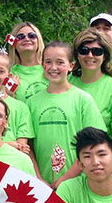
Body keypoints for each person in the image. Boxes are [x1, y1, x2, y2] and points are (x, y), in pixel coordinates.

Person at [26, 41, 105, 188]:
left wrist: (66, 178)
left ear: (71, 66)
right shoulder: (32, 103)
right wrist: (37, 178)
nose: (53, 67)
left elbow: (93, 142)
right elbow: (28, 145)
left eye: (60, 62)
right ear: (42, 65)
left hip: (78, 182)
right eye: (48, 62)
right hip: (41, 184)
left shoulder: (83, 100)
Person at [70, 28, 112, 157]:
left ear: (105, 56)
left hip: (100, 165)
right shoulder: (66, 82)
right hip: (67, 161)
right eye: (84, 50)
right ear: (77, 55)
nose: (90, 56)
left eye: (97, 51)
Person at [9, 22, 49, 102]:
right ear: (13, 44)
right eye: (20, 37)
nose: (26, 39)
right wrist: (9, 93)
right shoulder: (8, 74)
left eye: (32, 35)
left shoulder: (50, 70)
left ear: (39, 41)